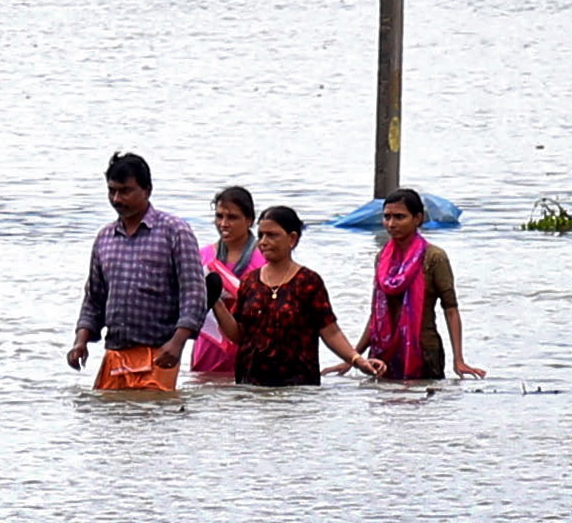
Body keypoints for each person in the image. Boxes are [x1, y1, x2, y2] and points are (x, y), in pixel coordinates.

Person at [67, 152, 204, 392]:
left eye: (125, 191)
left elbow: (194, 293)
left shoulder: (175, 232)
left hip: (160, 352)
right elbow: (94, 298)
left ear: (147, 190)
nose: (117, 199)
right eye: (112, 191)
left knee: (153, 411)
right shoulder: (105, 238)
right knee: (110, 412)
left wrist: (177, 342)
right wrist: (81, 341)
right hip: (116, 351)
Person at [211, 207, 381, 386]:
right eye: (261, 236)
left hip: (298, 388)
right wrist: (216, 303)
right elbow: (239, 335)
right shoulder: (250, 281)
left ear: (292, 238)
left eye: (272, 235)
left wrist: (357, 360)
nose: (264, 242)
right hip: (250, 386)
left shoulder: (308, 282)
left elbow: (331, 332)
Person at [355, 187, 485, 382]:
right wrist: (353, 357)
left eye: (399, 217)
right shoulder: (382, 259)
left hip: (424, 351)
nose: (391, 224)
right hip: (383, 354)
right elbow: (376, 316)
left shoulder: (434, 257)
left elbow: (450, 309)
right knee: (383, 399)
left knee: (421, 401)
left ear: (418, 219)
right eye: (387, 217)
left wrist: (458, 360)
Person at [186, 185, 260, 377]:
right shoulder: (203, 256)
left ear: (249, 220)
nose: (224, 224)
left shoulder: (263, 259)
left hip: (249, 346)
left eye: (232, 217)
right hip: (209, 344)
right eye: (219, 216)